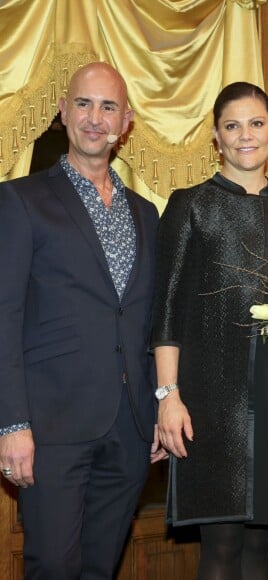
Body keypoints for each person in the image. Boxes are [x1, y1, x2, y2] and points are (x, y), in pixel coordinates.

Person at [0, 62, 164, 579]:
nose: (96, 118)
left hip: (131, 425)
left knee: (99, 567)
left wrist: (160, 403)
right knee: (52, 566)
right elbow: (5, 315)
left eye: (108, 106)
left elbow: (150, 319)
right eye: (85, 104)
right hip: (50, 426)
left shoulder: (146, 213)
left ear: (127, 122)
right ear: (63, 110)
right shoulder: (21, 201)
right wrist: (12, 424)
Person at [151, 81, 268, 580]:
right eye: (232, 126)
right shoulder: (191, 204)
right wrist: (168, 396)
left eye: (256, 123)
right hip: (210, 399)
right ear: (216, 139)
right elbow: (167, 312)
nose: (246, 135)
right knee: (220, 545)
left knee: (257, 546)